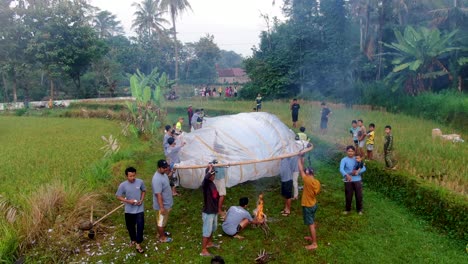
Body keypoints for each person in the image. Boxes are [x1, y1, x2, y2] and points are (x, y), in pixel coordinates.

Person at [116, 167, 146, 253]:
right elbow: (118, 196)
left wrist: (141, 199)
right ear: (126, 176)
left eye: (133, 175)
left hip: (139, 208)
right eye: (130, 176)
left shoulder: (140, 182)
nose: (132, 178)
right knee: (130, 226)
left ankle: (138, 244)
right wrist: (128, 201)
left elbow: (144, 190)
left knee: (140, 226)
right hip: (129, 210)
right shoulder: (123, 185)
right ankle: (133, 239)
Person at [297, 155, 320, 250]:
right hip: (314, 204)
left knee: (311, 225)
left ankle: (314, 243)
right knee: (312, 222)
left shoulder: (307, 180)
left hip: (308, 206)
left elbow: (300, 170)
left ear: (308, 173)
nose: (305, 172)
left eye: (306, 171)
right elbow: (303, 170)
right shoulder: (316, 182)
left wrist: (298, 158)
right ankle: (311, 237)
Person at [152, 160, 174, 243]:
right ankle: (162, 238)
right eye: (164, 167)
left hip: (167, 203)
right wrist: (161, 208)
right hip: (162, 205)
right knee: (161, 222)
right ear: (158, 168)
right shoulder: (156, 179)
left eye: (167, 167)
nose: (166, 168)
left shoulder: (163, 174)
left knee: (162, 221)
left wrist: (171, 172)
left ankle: (160, 233)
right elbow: (158, 194)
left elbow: (166, 181)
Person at [339, 146, 366, 215]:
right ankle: (347, 209)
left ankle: (359, 209)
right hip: (348, 180)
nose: (350, 153)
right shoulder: (344, 160)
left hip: (357, 180)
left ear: (354, 152)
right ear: (346, 152)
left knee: (359, 195)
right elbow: (341, 169)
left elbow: (363, 168)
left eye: (352, 151)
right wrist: (346, 175)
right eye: (349, 151)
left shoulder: (357, 158)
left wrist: (357, 172)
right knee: (348, 195)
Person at [201, 164, 220, 257]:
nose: (214, 176)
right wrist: (210, 169)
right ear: (209, 175)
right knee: (207, 231)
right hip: (208, 212)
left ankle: (209, 243)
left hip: (214, 210)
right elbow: (205, 179)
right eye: (213, 174)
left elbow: (216, 197)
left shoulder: (212, 184)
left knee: (213, 228)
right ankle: (203, 250)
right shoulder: (206, 184)